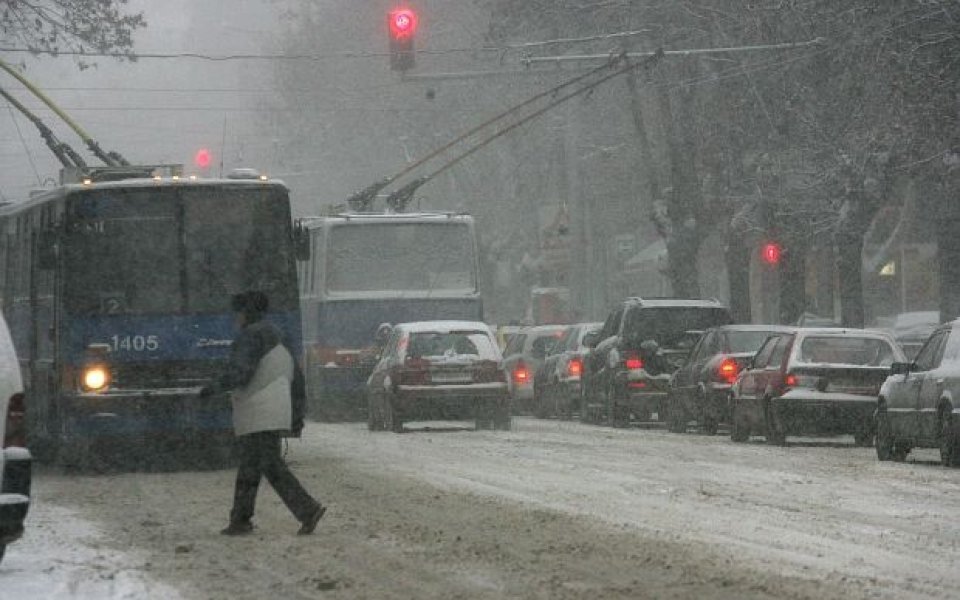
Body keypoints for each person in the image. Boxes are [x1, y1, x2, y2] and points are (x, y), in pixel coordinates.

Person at [200, 291, 325, 536]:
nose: (234, 318)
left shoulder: (250, 337)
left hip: (259, 409)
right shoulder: (278, 335)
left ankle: (307, 509)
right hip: (275, 406)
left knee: (269, 465)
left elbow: (241, 373)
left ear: (245, 313)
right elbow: (295, 378)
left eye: (237, 312)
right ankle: (240, 519)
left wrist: (212, 388)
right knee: (251, 465)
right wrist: (296, 412)